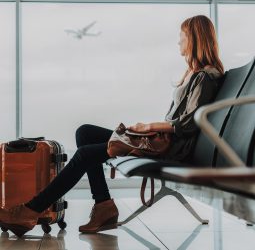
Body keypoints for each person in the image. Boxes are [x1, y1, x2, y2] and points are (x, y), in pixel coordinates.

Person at [0, 15, 224, 237]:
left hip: (173, 150)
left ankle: (30, 210)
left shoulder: (206, 77)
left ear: (194, 39)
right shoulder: (194, 74)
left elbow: (189, 124)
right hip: (163, 142)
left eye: (182, 37)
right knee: (85, 132)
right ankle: (104, 205)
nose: (179, 42)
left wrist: (147, 128)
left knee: (86, 153)